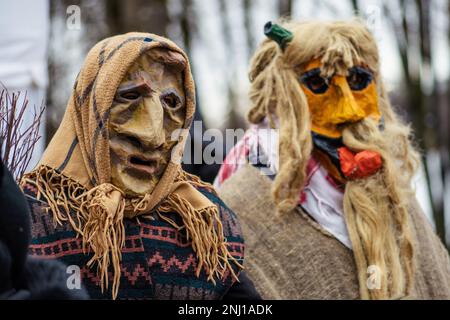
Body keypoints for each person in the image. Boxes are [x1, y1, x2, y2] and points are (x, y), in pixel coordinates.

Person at [215, 20, 450, 299]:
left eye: (358, 80)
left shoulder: (390, 185)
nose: (348, 111)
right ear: (279, 97)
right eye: (318, 83)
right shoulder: (238, 210)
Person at [21, 32, 259, 300]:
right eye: (130, 96)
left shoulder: (204, 219)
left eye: (171, 103)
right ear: (91, 106)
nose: (154, 136)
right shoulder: (29, 215)